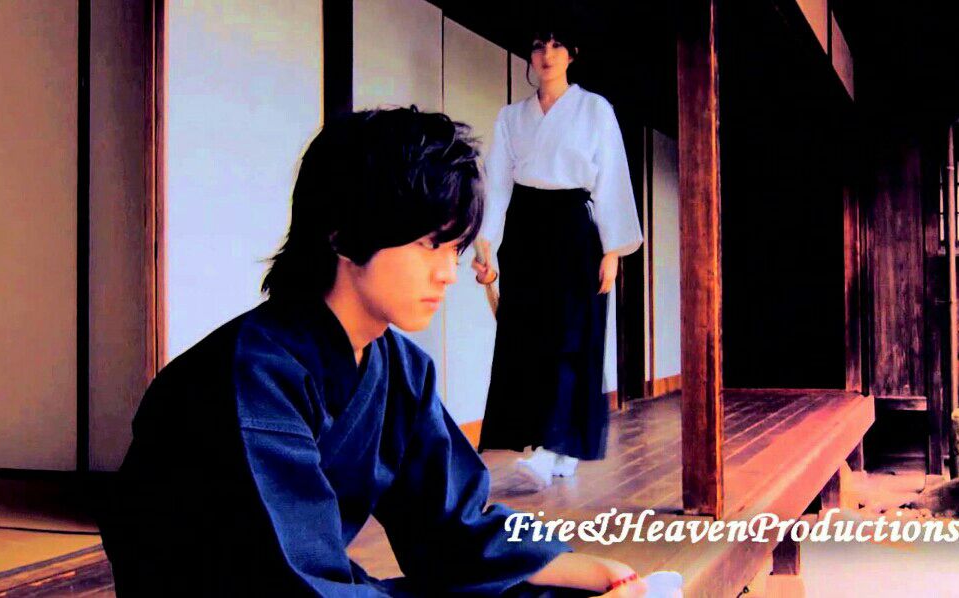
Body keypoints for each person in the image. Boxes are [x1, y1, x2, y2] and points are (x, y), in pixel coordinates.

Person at [99, 108, 646, 597]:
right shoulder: (254, 377)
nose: (447, 272)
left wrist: (590, 570)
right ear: (342, 234)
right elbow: (293, 580)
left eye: (456, 248)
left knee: (542, 591)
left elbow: (451, 525)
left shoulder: (402, 370)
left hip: (304, 584)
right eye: (430, 243)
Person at [473, 26, 643, 490]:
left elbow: (611, 178)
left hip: (574, 231)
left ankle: (552, 449)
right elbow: (498, 184)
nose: (546, 54)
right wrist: (486, 244)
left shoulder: (594, 109)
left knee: (571, 336)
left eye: (557, 45)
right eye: (538, 46)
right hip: (525, 230)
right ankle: (549, 445)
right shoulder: (511, 117)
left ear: (573, 54)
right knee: (528, 337)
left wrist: (613, 250)